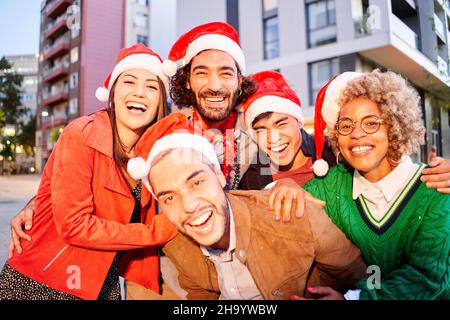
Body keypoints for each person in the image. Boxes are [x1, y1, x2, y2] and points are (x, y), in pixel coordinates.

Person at [0, 44, 178, 300]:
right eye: (130, 82)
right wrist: (156, 231)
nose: (140, 93)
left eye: (152, 86)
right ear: (113, 93)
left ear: (161, 101)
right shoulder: (82, 133)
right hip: (45, 281)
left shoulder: (154, 154)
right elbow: (74, 224)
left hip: (104, 282)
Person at [125, 121, 367, 300]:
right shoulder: (177, 245)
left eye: (197, 182)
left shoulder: (291, 215)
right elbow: (199, 294)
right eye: (169, 197)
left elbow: (364, 279)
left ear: (219, 175)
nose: (189, 206)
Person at [300, 70, 450, 300]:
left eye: (371, 123)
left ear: (394, 125)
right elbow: (286, 203)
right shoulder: (332, 185)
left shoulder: (437, 187)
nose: (357, 134)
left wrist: (354, 299)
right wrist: (282, 189)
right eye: (346, 126)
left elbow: (426, 279)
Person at [241, 70, 450, 194]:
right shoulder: (249, 178)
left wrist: (438, 171)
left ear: (298, 120)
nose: (272, 138)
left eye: (281, 123)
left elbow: (386, 161)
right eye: (260, 130)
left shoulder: (335, 153)